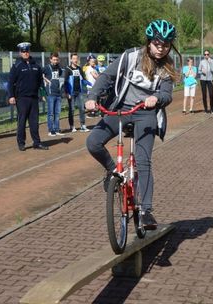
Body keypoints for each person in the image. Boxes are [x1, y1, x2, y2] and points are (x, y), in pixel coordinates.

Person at [85, 19, 179, 230]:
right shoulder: (131, 57)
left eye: (165, 45)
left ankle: (145, 211)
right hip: (121, 109)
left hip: (145, 114)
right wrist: (93, 97)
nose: (161, 48)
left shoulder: (166, 68)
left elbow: (166, 94)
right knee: (93, 142)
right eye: (157, 43)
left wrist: (157, 99)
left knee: (143, 161)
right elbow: (106, 77)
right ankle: (112, 172)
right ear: (148, 42)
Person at [8, 42, 48, 151]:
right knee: (22, 122)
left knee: (34, 122)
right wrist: (11, 96)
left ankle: (37, 142)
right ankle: (21, 143)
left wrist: (43, 94)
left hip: (34, 98)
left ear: (29, 51)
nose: (25, 53)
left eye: (27, 51)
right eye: (23, 51)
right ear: (20, 52)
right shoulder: (16, 66)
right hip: (21, 98)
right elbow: (11, 82)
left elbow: (40, 82)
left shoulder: (36, 65)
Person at [64, 53, 89, 132]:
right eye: (74, 58)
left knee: (82, 108)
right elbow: (65, 82)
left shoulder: (79, 68)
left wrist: (90, 84)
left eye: (76, 58)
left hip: (79, 92)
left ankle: (83, 125)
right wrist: (67, 93)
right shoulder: (68, 69)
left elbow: (84, 79)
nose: (75, 60)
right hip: (71, 92)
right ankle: (72, 126)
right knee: (71, 110)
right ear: (71, 59)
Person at [43, 52, 64, 137]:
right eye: (54, 59)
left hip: (58, 93)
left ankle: (56, 129)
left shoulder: (59, 68)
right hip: (50, 94)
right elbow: (40, 75)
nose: (55, 61)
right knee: (51, 113)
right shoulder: (47, 68)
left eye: (57, 60)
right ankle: (51, 130)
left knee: (57, 113)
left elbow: (60, 78)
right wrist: (45, 79)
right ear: (50, 59)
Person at [199, 49, 213, 113]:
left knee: (211, 94)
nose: (206, 55)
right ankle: (206, 109)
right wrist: (202, 72)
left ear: (209, 55)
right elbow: (199, 70)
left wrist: (209, 62)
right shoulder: (201, 61)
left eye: (207, 54)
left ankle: (212, 108)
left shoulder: (212, 61)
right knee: (204, 94)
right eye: (205, 54)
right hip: (203, 79)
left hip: (210, 79)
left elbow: (212, 69)